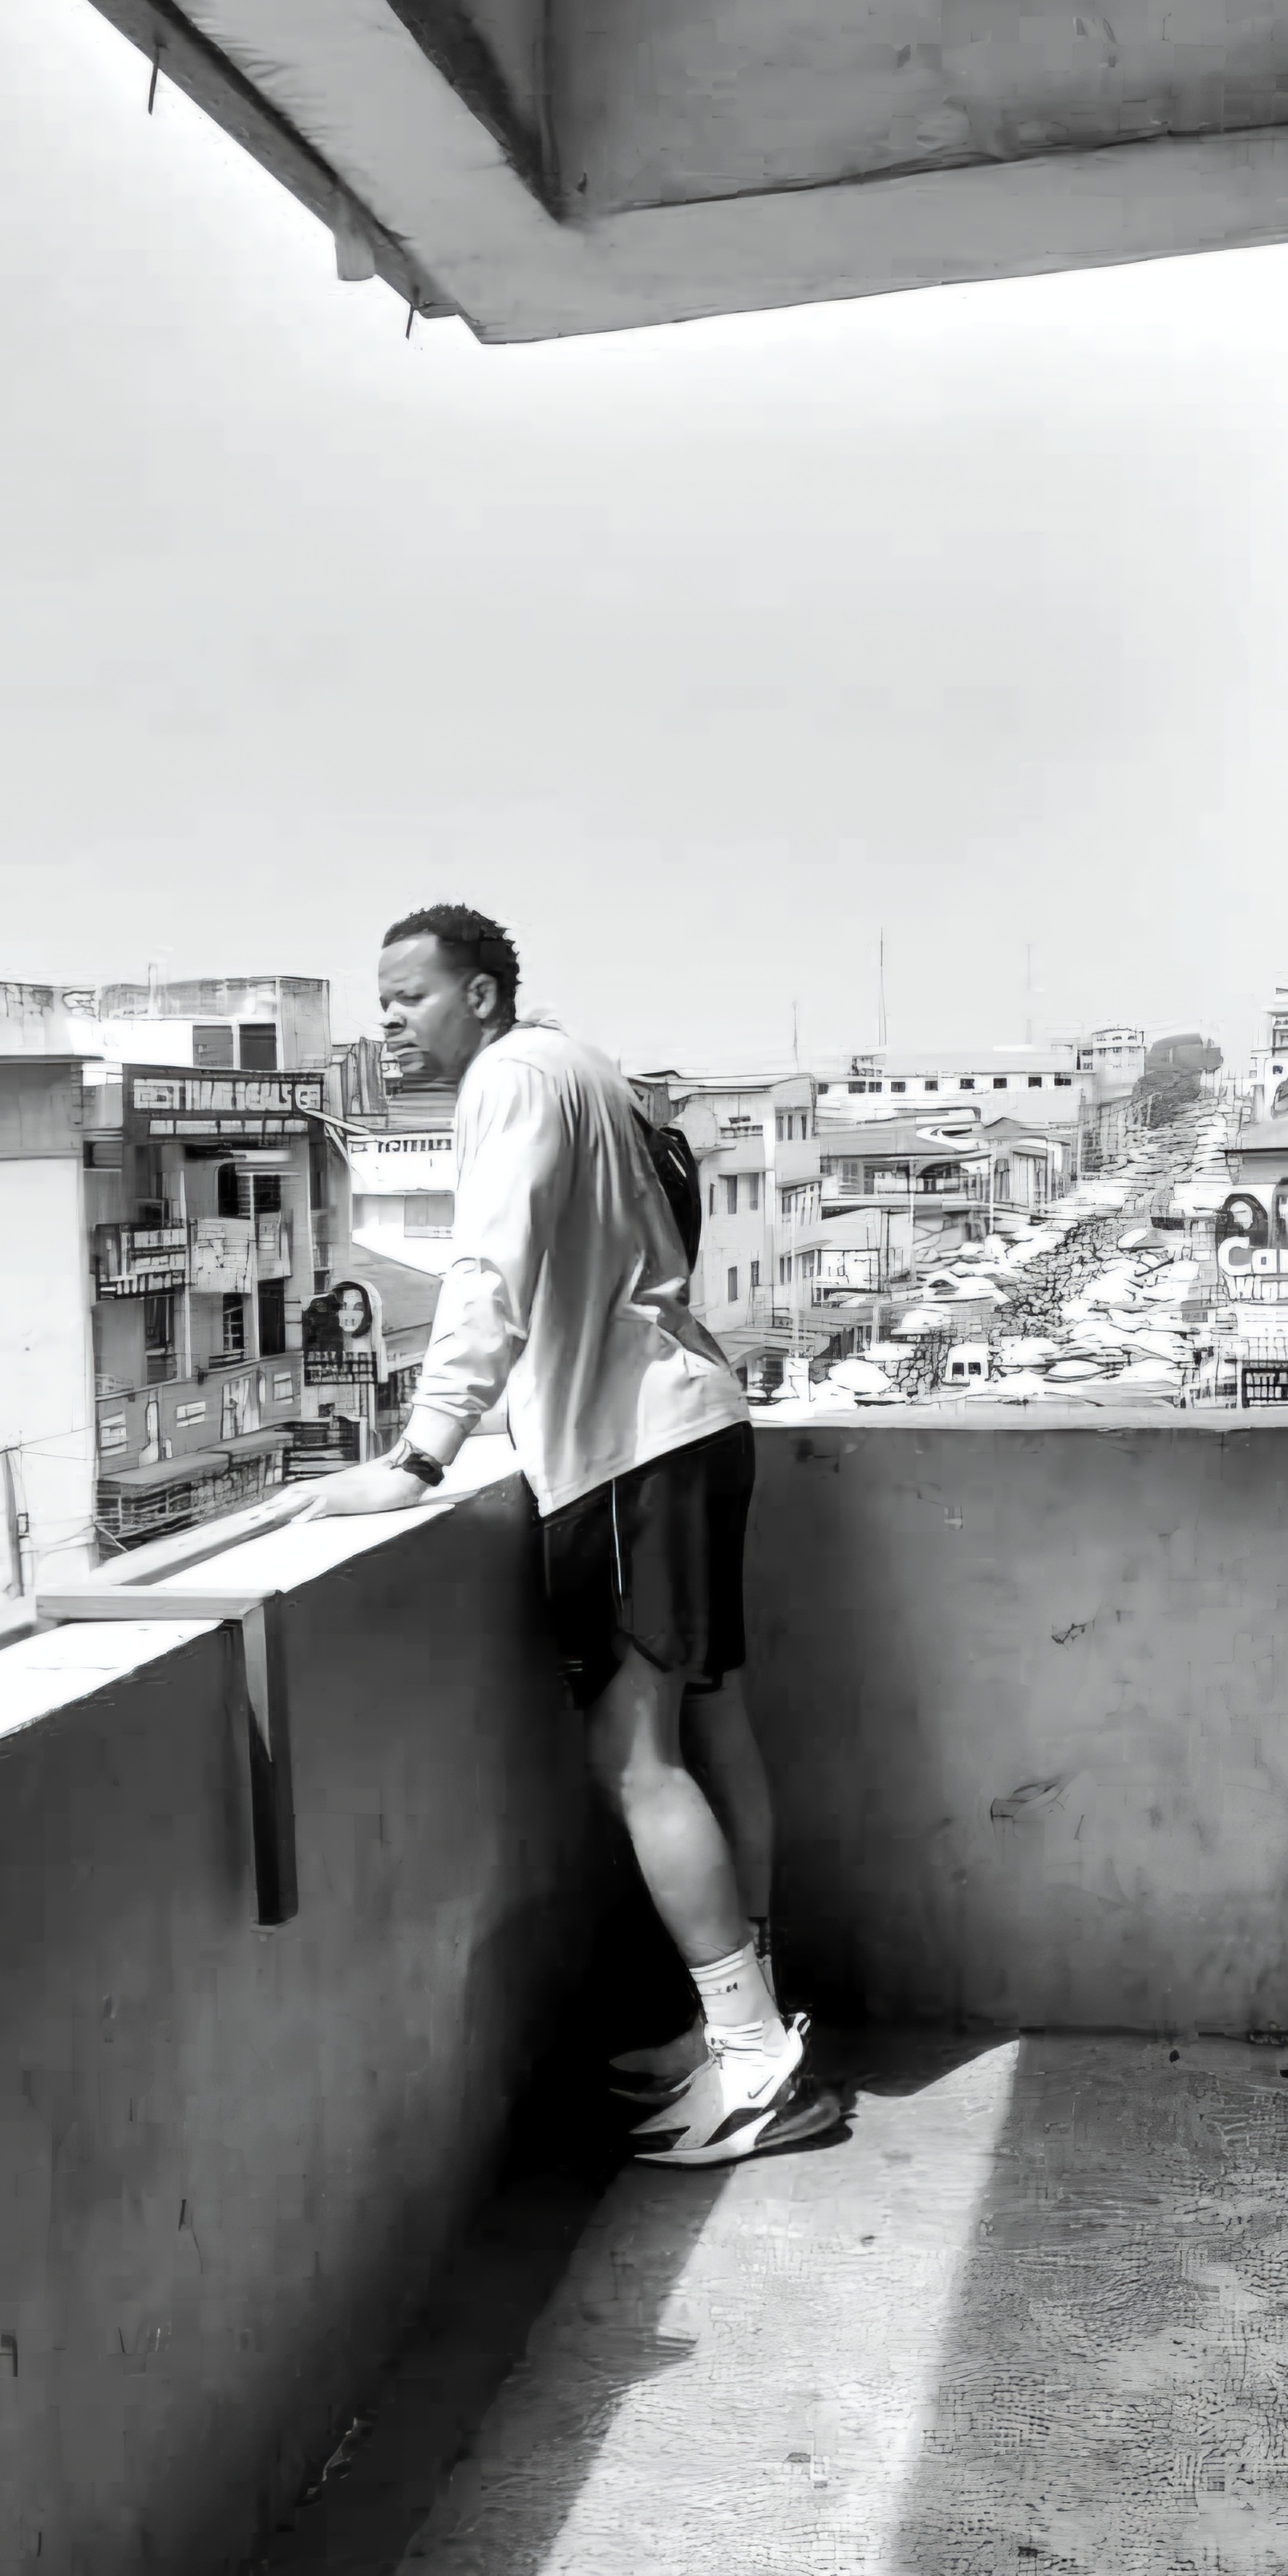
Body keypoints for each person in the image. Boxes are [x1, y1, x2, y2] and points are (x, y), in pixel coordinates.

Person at [294, 904, 824, 2169]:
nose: (391, 1024)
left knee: (634, 1756)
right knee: (713, 1727)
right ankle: (742, 2029)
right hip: (693, 1427)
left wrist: (420, 1453)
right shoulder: (587, 1068)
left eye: (412, 998)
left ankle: (755, 2059)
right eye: (382, 1004)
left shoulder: (513, 1080)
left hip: (632, 1453)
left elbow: (491, 1268)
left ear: (479, 995)